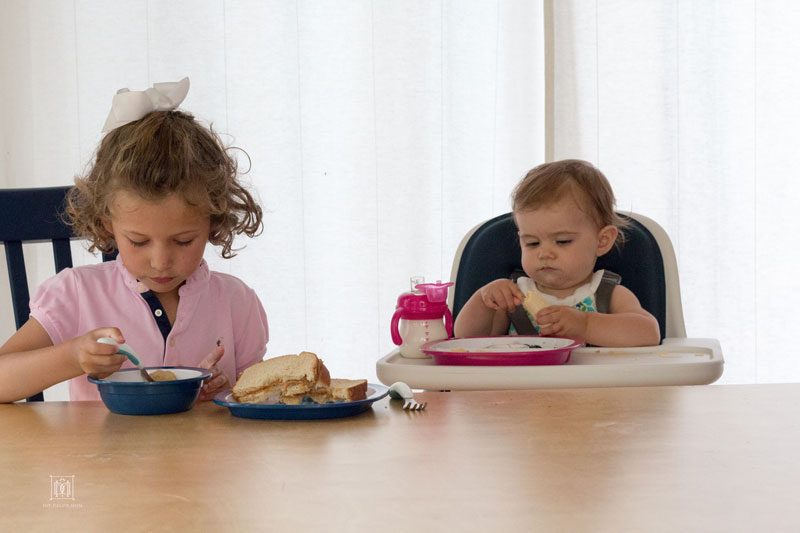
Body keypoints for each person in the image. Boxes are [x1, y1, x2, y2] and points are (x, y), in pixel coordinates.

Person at [0, 77, 268, 402]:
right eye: (139, 242)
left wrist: (224, 392)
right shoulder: (77, 294)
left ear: (214, 221)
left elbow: (257, 401)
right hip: (98, 454)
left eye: (183, 241)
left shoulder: (236, 304)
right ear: (107, 224)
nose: (160, 261)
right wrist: (71, 357)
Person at [454, 159, 660, 347]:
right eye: (532, 243)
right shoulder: (516, 298)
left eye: (562, 241)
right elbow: (466, 338)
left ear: (602, 241)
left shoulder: (606, 293)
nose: (544, 253)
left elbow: (649, 333)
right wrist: (485, 301)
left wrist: (586, 325)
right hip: (521, 387)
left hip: (594, 387)